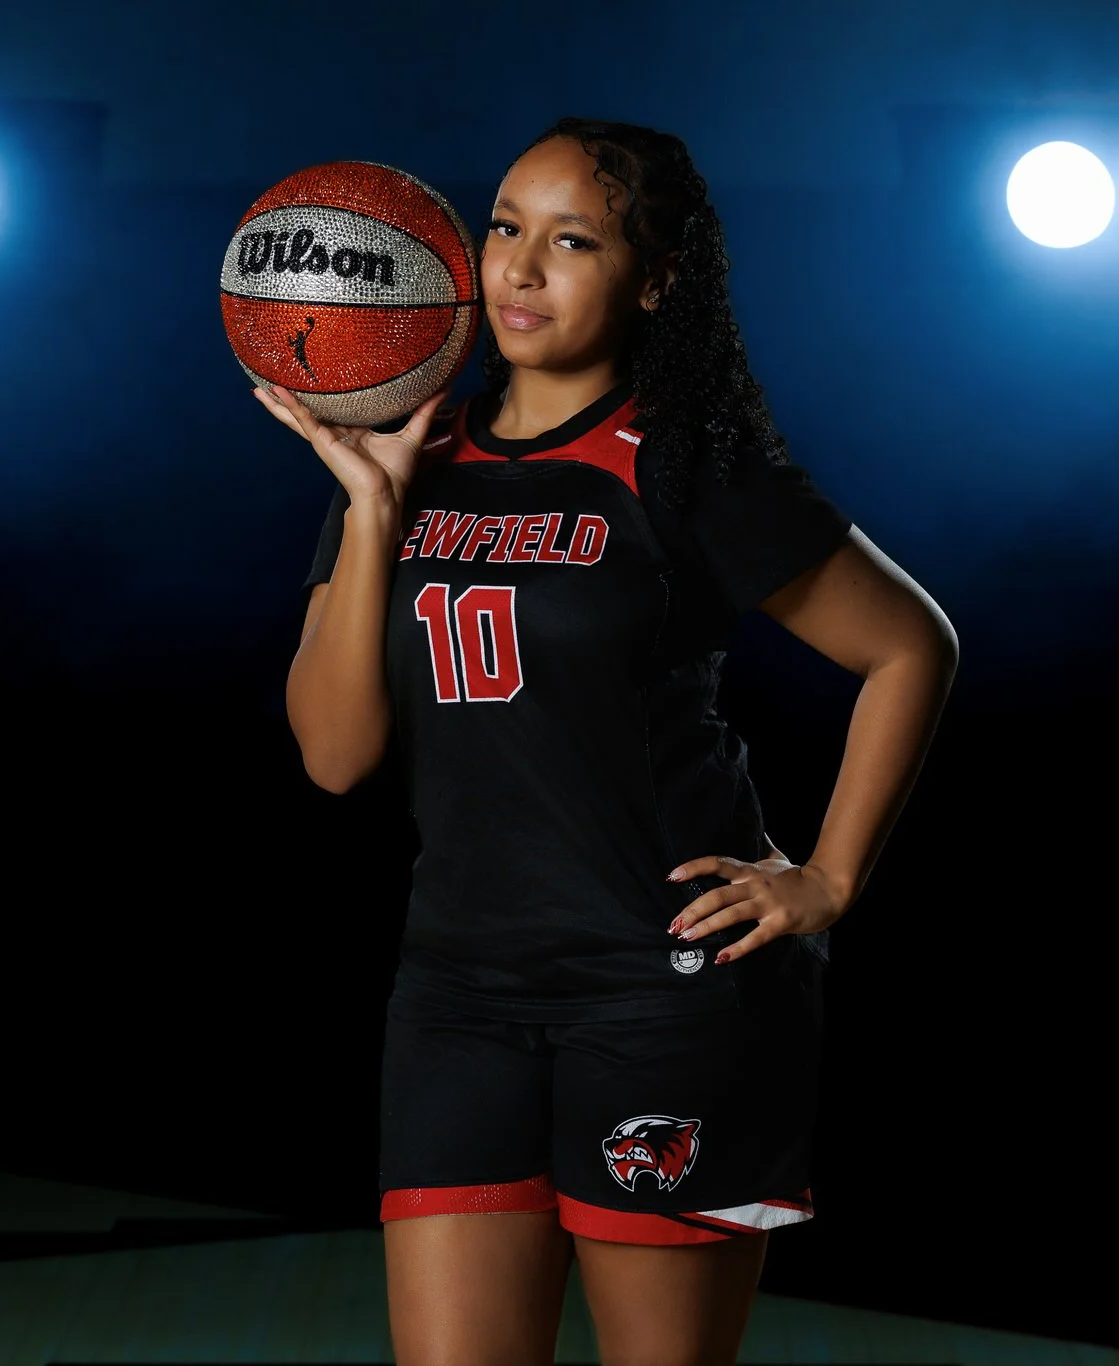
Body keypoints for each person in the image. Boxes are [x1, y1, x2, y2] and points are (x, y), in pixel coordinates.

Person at [253, 117, 958, 1366]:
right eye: (503, 228)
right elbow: (334, 756)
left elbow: (909, 645)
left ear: (654, 280)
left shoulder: (683, 464)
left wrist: (827, 878)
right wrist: (369, 506)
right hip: (457, 996)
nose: (519, 270)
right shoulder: (406, 458)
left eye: (573, 241)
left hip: (661, 990)